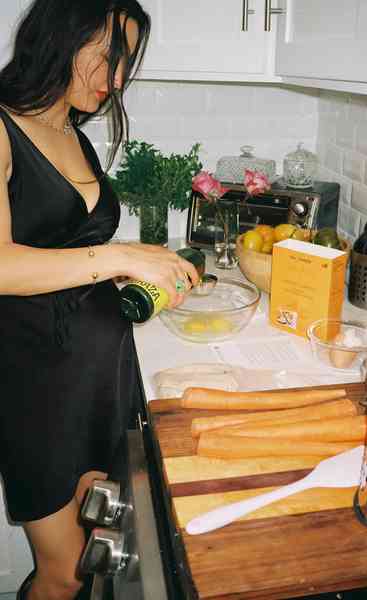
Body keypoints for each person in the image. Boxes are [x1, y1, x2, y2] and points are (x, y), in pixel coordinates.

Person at [0, 1, 199, 599]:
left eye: (125, 64)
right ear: (62, 35)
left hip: (97, 378)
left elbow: (63, 255)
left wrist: (134, 277)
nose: (116, 80)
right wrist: (122, 256)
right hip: (33, 385)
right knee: (60, 576)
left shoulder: (73, 135)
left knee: (91, 559)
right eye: (110, 56)